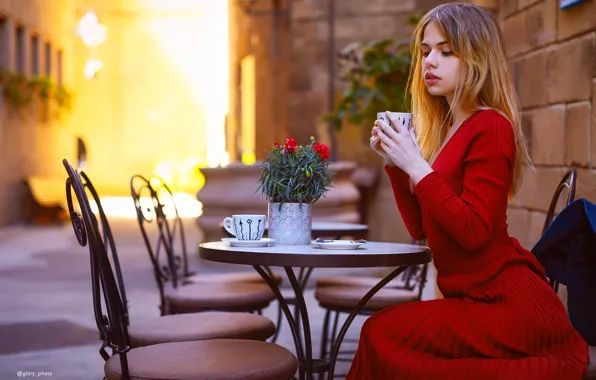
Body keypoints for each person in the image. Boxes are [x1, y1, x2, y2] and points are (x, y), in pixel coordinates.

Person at [348, 3, 590, 379]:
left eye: (447, 51)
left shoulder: (491, 126)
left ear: (477, 57)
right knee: (382, 333)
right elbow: (422, 229)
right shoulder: (449, 132)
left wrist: (416, 165)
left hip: (507, 303)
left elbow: (474, 231)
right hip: (473, 299)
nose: (430, 61)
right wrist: (397, 164)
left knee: (380, 333)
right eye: (426, 51)